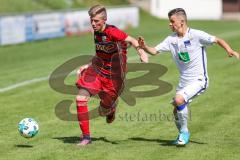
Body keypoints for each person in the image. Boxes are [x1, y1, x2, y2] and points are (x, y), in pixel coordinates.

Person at [138, 8, 239, 146]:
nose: (170, 24)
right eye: (170, 22)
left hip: (199, 80)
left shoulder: (196, 35)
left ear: (182, 21)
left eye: (172, 21)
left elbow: (217, 39)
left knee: (179, 100)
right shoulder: (171, 39)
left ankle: (184, 133)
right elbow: (154, 51)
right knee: (176, 110)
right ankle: (181, 134)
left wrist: (229, 50)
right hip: (184, 82)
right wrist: (144, 47)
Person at [75, 5, 148, 146]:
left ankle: (111, 109)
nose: (93, 24)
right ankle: (86, 137)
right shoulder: (96, 33)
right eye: (91, 20)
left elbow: (132, 40)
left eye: (96, 21)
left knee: (103, 111)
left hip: (114, 79)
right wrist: (88, 65)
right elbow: (100, 54)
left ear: (105, 20)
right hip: (98, 71)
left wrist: (142, 52)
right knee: (80, 98)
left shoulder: (113, 32)